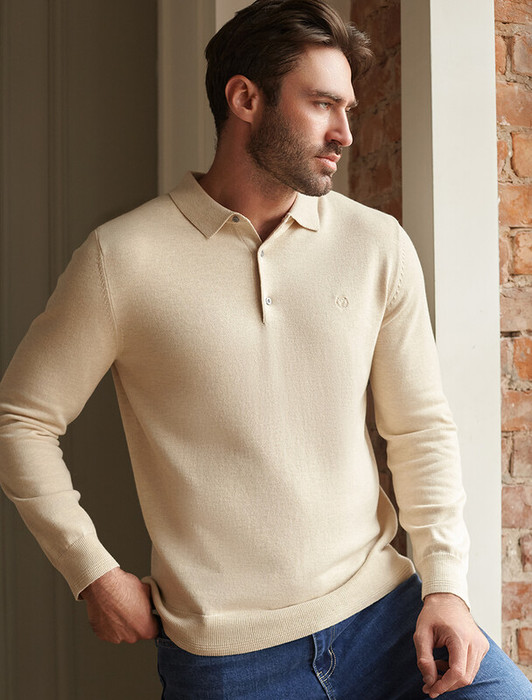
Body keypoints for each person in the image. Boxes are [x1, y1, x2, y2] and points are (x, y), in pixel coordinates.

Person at [0, 1, 530, 698]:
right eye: (322, 104)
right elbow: (22, 420)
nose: (345, 133)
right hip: (229, 661)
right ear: (245, 99)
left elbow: (420, 430)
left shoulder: (377, 246)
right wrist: (91, 572)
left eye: (348, 108)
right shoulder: (121, 259)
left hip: (387, 621)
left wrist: (448, 589)